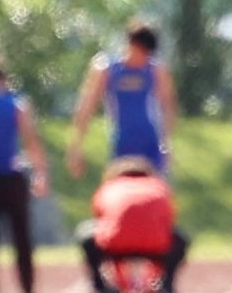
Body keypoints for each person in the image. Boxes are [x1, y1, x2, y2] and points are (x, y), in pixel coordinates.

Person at [0, 58, 48, 293]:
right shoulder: (17, 104)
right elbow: (31, 140)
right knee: (22, 240)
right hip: (13, 179)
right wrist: (41, 174)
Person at [67, 19, 177, 179]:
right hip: (122, 144)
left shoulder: (156, 70)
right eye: (142, 51)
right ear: (130, 45)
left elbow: (168, 107)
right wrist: (76, 147)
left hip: (151, 145)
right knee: (121, 196)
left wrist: (166, 142)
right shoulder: (107, 70)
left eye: (148, 53)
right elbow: (86, 107)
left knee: (154, 197)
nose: (144, 58)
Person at [77, 156, 189, 293]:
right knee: (180, 239)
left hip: (114, 244)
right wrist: (152, 281)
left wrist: (122, 285)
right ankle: (165, 287)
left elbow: (101, 219)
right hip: (155, 244)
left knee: (86, 235)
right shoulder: (160, 187)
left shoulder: (108, 188)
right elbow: (168, 220)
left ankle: (102, 290)